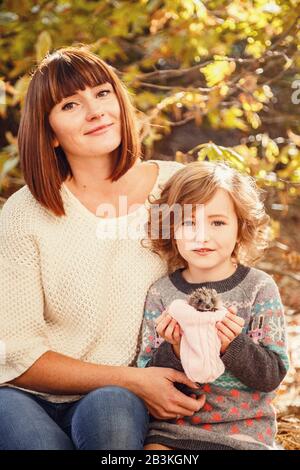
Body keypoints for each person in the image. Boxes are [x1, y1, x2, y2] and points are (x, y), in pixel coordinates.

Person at [0, 46, 206, 450]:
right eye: (71, 104)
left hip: (121, 397)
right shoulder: (25, 212)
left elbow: (225, 286)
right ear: (50, 133)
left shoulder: (177, 191)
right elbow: (16, 354)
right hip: (23, 395)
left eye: (102, 93)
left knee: (112, 410)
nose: (94, 111)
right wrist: (130, 378)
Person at [137, 161, 289, 450]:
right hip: (173, 432)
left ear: (241, 227)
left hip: (244, 430)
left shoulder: (259, 288)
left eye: (217, 222)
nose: (201, 236)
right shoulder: (162, 293)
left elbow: (271, 375)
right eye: (189, 222)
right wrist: (176, 349)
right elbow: (150, 376)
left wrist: (230, 344)